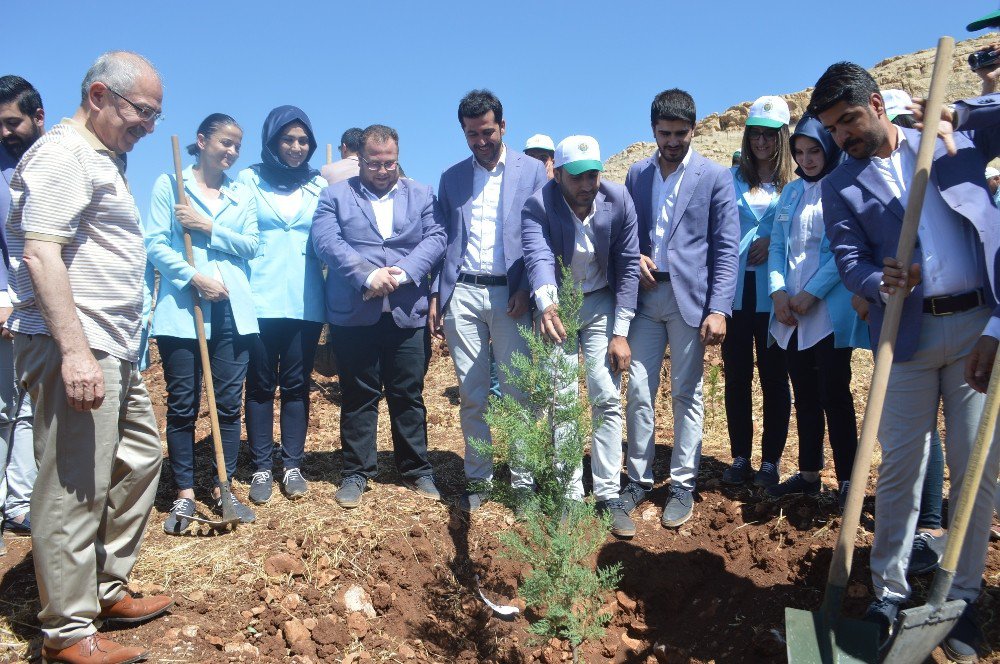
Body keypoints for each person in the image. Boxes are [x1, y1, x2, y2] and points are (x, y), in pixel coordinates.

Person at [810, 61, 1000, 661]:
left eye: (849, 121)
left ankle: (960, 596)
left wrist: (959, 112)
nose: (843, 137)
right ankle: (888, 590)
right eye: (833, 130)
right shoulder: (840, 183)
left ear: (875, 102)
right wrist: (877, 278)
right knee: (900, 465)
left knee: (976, 470)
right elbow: (847, 256)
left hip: (976, 326)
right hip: (904, 336)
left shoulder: (944, 140)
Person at [6, 51, 171, 664]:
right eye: (143, 112)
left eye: (157, 115)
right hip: (75, 345)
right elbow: (41, 254)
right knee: (73, 485)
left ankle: (102, 588)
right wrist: (74, 354)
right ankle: (67, 633)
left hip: (112, 346)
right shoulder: (63, 154)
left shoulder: (102, 157)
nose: (149, 126)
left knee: (140, 458)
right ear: (100, 94)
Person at [621, 89, 739, 535]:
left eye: (681, 133)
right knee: (637, 391)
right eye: (665, 133)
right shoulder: (636, 174)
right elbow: (626, 233)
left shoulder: (714, 176)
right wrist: (633, 258)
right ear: (653, 130)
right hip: (645, 299)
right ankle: (638, 478)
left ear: (694, 130)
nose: (672, 141)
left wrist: (720, 308)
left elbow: (726, 248)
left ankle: (683, 484)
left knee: (687, 394)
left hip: (692, 301)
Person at [312, 124, 446, 509]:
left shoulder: (422, 194)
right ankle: (356, 471)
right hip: (354, 312)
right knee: (358, 394)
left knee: (408, 393)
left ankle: (417, 469)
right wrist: (367, 275)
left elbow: (436, 238)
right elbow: (327, 241)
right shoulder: (335, 196)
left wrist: (401, 273)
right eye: (374, 163)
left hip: (407, 311)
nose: (383, 170)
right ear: (360, 160)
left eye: (390, 163)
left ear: (397, 158)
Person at [429, 90, 548, 512]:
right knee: (474, 392)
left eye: (487, 132)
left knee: (518, 391)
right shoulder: (452, 178)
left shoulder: (533, 172)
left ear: (503, 126)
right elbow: (441, 239)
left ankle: (522, 482)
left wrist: (527, 290)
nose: (481, 141)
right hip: (462, 292)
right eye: (471, 134)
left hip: (511, 296)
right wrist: (436, 295)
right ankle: (478, 478)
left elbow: (540, 237)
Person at [146, 113, 259, 534]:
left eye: (236, 146)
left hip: (231, 309)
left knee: (229, 404)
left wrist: (207, 227)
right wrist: (193, 277)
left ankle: (223, 484)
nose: (230, 151)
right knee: (183, 404)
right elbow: (154, 242)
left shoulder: (240, 192)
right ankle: (184, 493)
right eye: (224, 142)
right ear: (202, 140)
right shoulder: (170, 184)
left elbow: (252, 245)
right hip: (183, 311)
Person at [521, 135, 640, 508]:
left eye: (593, 175)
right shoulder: (538, 205)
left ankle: (607, 492)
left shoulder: (618, 200)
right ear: (557, 174)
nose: (587, 185)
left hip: (602, 299)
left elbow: (628, 266)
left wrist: (620, 333)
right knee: (563, 398)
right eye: (577, 177)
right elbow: (538, 257)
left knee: (605, 395)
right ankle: (569, 490)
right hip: (560, 303)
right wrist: (547, 306)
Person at [765, 114, 867, 504]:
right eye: (800, 152)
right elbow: (777, 247)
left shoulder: (843, 187)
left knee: (834, 394)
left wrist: (811, 293)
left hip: (825, 312)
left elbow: (843, 250)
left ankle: (847, 482)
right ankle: (809, 473)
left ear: (829, 149)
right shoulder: (790, 193)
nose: (807, 160)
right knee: (804, 394)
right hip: (789, 312)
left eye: (814, 151)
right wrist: (777, 293)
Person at [237, 106, 326, 504]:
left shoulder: (318, 184)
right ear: (272, 142)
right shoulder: (249, 179)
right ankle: (260, 466)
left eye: (303, 140)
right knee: (258, 385)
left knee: (296, 385)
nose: (295, 147)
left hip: (305, 301)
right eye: (288, 140)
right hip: (258, 298)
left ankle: (291, 464)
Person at [720, 95, 794, 489]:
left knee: (774, 378)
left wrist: (771, 239)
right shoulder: (729, 179)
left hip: (774, 295)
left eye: (769, 135)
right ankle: (739, 456)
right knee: (736, 376)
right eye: (755, 135)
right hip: (735, 294)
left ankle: (770, 460)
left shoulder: (794, 185)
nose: (761, 143)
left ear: (782, 137)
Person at [0, 75, 42, 536]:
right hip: (8, 305)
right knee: (3, 409)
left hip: (44, 308)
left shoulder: (51, 162)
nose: (5, 132)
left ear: (38, 117)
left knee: (29, 409)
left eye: (13, 122)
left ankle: (19, 502)